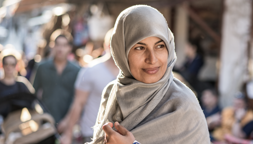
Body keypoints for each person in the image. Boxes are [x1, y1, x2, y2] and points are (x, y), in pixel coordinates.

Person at [89, 5, 210, 144]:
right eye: (140, 48)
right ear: (121, 52)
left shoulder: (183, 105)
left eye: (160, 46)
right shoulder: (112, 93)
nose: (152, 59)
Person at [58, 28, 119, 144]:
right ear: (107, 45)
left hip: (119, 135)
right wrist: (68, 133)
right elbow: (78, 103)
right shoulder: (91, 70)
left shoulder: (129, 72)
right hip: (93, 134)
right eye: (114, 43)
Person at [0, 52, 34, 144]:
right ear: (2, 65)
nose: (9, 67)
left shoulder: (22, 85)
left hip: (16, 127)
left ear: (16, 65)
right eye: (6, 63)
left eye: (12, 64)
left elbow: (33, 102)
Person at [33, 30, 80, 123]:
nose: (60, 48)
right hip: (45, 120)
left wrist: (67, 121)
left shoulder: (77, 70)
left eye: (64, 45)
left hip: (69, 122)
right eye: (57, 44)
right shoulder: (42, 67)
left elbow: (78, 99)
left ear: (69, 48)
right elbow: (33, 93)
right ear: (52, 46)